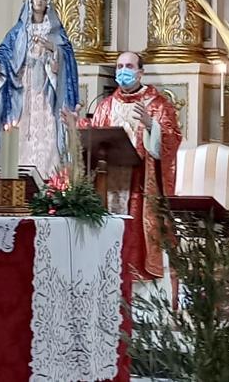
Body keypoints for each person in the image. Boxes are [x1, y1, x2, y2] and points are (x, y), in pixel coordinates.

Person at [65, 52, 179, 280]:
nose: (123, 70)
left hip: (140, 185)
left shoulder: (158, 105)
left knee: (136, 236)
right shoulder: (105, 106)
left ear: (140, 72)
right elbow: (93, 145)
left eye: (129, 66)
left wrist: (151, 126)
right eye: (119, 66)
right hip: (109, 185)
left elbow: (171, 141)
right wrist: (75, 125)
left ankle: (139, 291)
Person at [0, 0, 80, 179]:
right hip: (22, 89)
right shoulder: (18, 32)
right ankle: (17, 177)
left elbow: (67, 60)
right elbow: (4, 53)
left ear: (48, 3)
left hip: (46, 90)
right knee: (18, 132)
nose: (39, 1)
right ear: (29, 2)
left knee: (48, 133)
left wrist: (52, 49)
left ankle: (50, 178)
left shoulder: (56, 32)